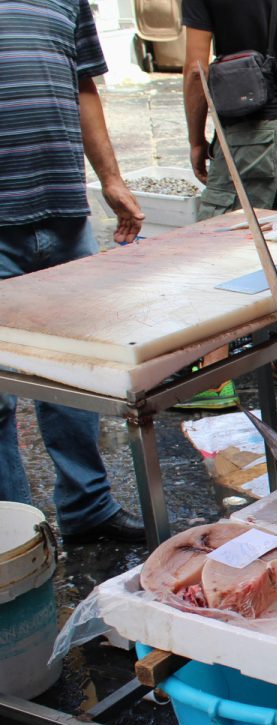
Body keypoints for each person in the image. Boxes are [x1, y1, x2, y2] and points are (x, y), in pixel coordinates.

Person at [0, 0, 147, 544]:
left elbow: (84, 87)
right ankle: (16, 537)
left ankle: (87, 509)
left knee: (74, 378)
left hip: (64, 213)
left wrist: (111, 178)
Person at [180, 0, 277, 408]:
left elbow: (195, 72)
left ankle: (213, 375)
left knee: (216, 245)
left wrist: (196, 138)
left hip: (249, 130)